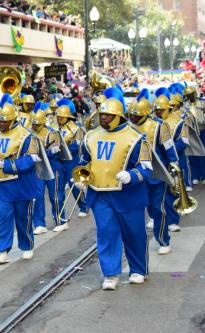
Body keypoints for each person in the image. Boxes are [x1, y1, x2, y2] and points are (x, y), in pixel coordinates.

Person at [79, 87, 152, 290]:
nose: (103, 119)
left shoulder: (137, 137)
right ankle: (110, 273)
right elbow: (84, 160)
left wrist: (132, 176)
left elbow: (147, 167)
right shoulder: (90, 136)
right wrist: (81, 176)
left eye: (108, 116)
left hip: (129, 195)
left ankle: (137, 269)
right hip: (100, 193)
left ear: (118, 116)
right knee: (106, 232)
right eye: (102, 115)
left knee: (134, 233)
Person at [0, 93, 42, 264]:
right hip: (0, 184)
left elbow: (30, 159)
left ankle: (27, 245)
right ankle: (2, 249)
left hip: (21, 184)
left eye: (4, 121)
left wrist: (5, 165)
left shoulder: (26, 135)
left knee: (23, 217)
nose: (1, 124)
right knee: (4, 215)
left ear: (12, 119)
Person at [128, 89, 178, 255]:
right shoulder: (128, 127)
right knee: (136, 210)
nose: (133, 118)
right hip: (135, 176)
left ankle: (163, 240)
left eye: (136, 116)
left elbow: (170, 149)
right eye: (132, 115)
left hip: (156, 176)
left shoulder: (159, 126)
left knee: (158, 208)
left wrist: (174, 169)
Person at [153, 88, 189, 233]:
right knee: (155, 192)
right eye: (156, 110)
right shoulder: (154, 123)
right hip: (157, 161)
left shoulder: (179, 122)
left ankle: (173, 220)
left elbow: (184, 141)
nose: (158, 112)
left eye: (161, 110)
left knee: (171, 191)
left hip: (173, 159)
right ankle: (156, 218)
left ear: (168, 109)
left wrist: (170, 151)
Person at [30, 102, 66, 234]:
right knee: (37, 196)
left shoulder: (53, 133)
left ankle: (61, 220)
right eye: (33, 124)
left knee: (55, 196)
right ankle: (39, 223)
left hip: (53, 168)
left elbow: (56, 151)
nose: (35, 126)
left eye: (37, 124)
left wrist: (43, 151)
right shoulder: (29, 133)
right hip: (38, 169)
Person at [56, 98, 89, 220]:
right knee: (58, 189)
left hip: (72, 161)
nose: (59, 119)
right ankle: (59, 215)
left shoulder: (76, 128)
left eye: (61, 117)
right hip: (59, 162)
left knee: (74, 185)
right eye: (58, 117)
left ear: (68, 117)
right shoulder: (56, 128)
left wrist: (63, 150)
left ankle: (84, 206)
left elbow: (77, 146)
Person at [184, 86, 205, 185]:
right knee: (192, 153)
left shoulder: (202, 101)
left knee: (203, 153)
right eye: (188, 95)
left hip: (201, 129)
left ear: (194, 93)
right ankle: (195, 176)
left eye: (191, 94)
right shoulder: (184, 105)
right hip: (190, 131)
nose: (189, 96)